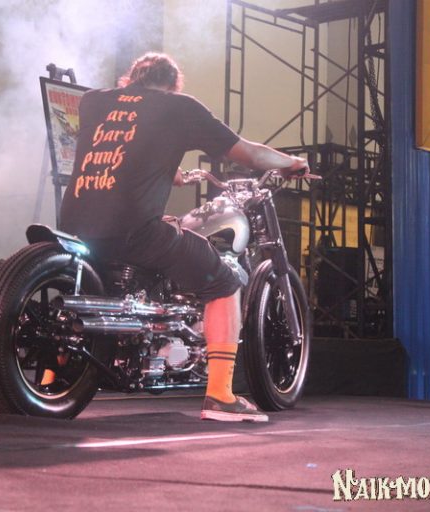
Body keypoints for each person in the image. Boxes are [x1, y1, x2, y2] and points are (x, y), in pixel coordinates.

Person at [58, 52, 308, 422]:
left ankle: (50, 378)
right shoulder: (180, 108)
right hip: (133, 230)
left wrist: (174, 172)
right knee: (224, 281)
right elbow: (249, 154)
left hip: (74, 227)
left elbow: (124, 145)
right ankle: (221, 396)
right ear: (173, 85)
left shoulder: (94, 101)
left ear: (132, 78)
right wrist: (291, 163)